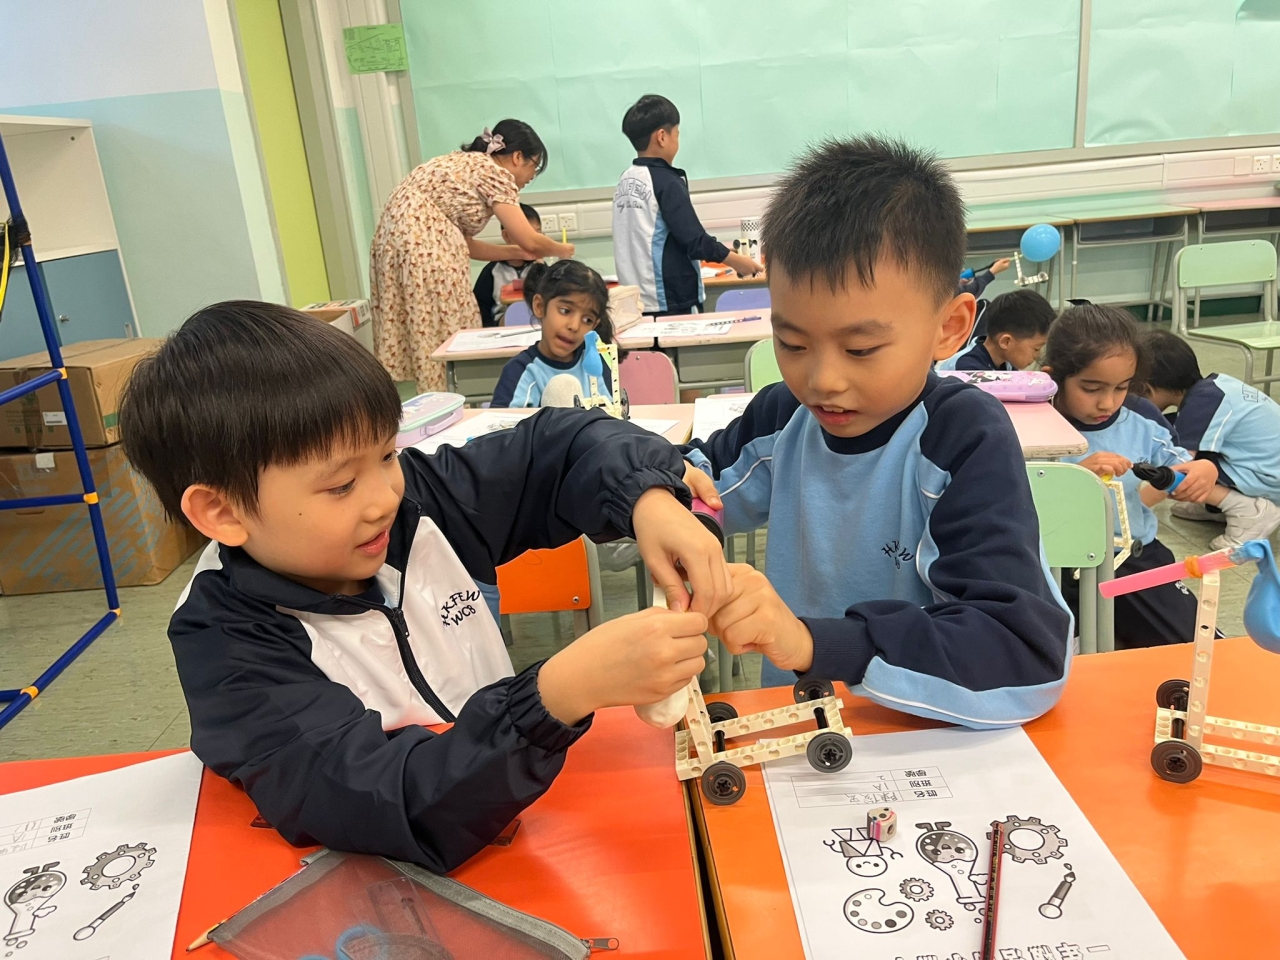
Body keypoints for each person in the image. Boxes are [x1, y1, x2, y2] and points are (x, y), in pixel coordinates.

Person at [117, 301, 732, 873]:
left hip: (514, 827)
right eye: (340, 485)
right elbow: (379, 799)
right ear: (222, 512)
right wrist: (555, 695)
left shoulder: (419, 507)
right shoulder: (227, 647)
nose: (385, 496)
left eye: (387, 455)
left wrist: (644, 497)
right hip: (391, 893)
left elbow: (561, 446)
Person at [685, 136, 1073, 729]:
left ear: (949, 328)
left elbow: (1024, 657)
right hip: (800, 731)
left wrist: (815, 644)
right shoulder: (784, 416)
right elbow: (697, 484)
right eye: (791, 343)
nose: (821, 381)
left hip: (931, 732)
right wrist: (668, 508)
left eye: (861, 348)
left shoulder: (961, 439)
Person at [1042, 304, 1219, 648]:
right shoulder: (1033, 426)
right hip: (1056, 568)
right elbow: (1014, 499)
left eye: (1121, 387)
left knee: (1198, 645)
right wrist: (1074, 479)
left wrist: (1203, 469)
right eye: (1091, 388)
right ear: (1052, 378)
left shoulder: (1140, 420)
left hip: (1132, 561)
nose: (1107, 403)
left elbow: (1180, 467)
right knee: (1053, 656)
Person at [371, 120, 574, 392]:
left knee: (425, 331)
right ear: (517, 157)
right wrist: (563, 250)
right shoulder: (495, 173)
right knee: (446, 333)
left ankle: (436, 394)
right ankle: (445, 395)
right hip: (423, 250)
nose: (530, 177)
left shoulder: (464, 163)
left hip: (396, 244)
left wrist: (515, 252)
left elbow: (467, 245)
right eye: (533, 167)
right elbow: (529, 238)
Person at [612, 95, 762, 316]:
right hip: (670, 302)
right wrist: (736, 261)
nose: (677, 140)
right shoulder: (666, 181)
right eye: (677, 133)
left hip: (635, 304)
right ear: (662, 137)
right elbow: (694, 241)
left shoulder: (625, 180)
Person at [1142, 329, 1280, 548]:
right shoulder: (1213, 388)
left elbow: (1177, 467)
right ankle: (1217, 506)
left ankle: (1250, 511)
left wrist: (1134, 509)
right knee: (1177, 443)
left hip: (1270, 478)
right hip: (1267, 468)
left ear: (1146, 389)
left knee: (1173, 461)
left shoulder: (1200, 404)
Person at [491, 260, 614, 408]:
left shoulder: (596, 366)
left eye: (587, 320)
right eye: (565, 311)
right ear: (539, 306)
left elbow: (612, 415)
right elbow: (502, 421)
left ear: (594, 326)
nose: (574, 326)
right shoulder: (520, 371)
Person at [937, 289, 1055, 372]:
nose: (1037, 356)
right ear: (1006, 342)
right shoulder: (967, 368)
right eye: (1036, 349)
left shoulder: (1006, 363)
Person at [473, 202, 543, 327]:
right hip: (501, 325)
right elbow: (480, 307)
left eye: (537, 235)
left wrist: (540, 266)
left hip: (536, 322)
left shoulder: (539, 267)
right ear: (506, 236)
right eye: (525, 236)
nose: (532, 243)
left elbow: (550, 294)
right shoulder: (492, 271)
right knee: (514, 315)